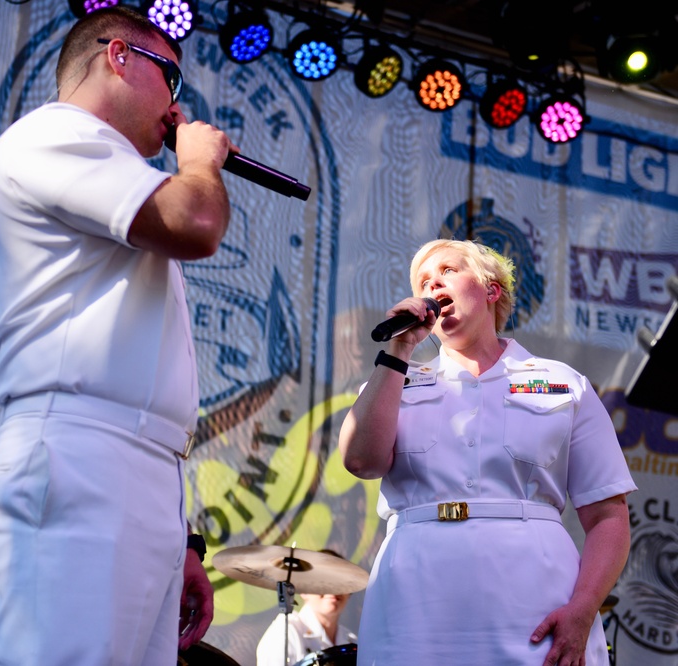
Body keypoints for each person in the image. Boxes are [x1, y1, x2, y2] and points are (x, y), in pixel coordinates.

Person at [0, 5, 232, 665]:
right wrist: (199, 161)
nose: (176, 105)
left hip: (139, 465)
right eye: (171, 80)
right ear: (119, 56)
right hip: (81, 451)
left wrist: (176, 541)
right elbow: (196, 223)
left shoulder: (114, 168)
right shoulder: (58, 135)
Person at [338, 238, 635, 666]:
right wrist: (398, 349)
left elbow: (608, 515)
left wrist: (583, 608)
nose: (432, 284)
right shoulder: (392, 380)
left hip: (535, 606)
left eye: (447, 272)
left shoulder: (562, 383)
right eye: (423, 280)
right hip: (414, 606)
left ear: (491, 289)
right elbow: (360, 461)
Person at [255, 550, 357, 666]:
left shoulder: (352, 641)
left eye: (341, 582)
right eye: (324, 581)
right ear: (303, 590)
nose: (333, 589)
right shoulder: (284, 634)